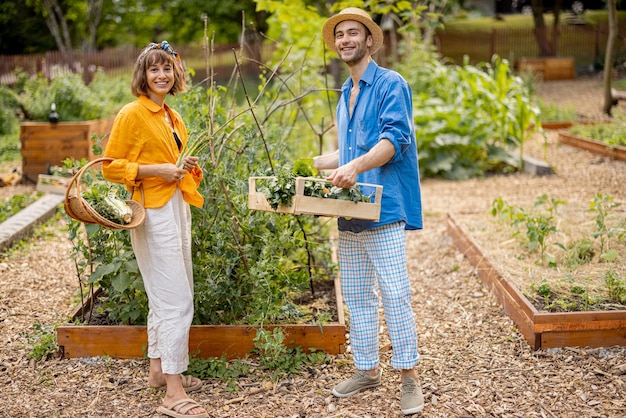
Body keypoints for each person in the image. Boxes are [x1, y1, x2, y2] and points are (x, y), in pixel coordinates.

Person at [315, 8, 424, 416]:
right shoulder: (347, 91)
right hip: (349, 208)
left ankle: (409, 377)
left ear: (368, 41)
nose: (345, 40)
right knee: (358, 296)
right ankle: (366, 369)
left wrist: (354, 167)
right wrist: (322, 163)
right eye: (339, 35)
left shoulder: (390, 83)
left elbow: (395, 140)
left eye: (352, 34)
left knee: (395, 294)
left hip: (385, 204)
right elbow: (351, 151)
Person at [102, 41, 208, 418]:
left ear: (176, 73)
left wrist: (184, 166)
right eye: (154, 70)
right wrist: (155, 171)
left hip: (176, 206)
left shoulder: (171, 116)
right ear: (143, 76)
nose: (161, 75)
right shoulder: (133, 113)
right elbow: (110, 166)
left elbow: (169, 164)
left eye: (167, 69)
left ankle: (158, 371)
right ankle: (173, 393)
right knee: (175, 298)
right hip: (153, 211)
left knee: (168, 292)